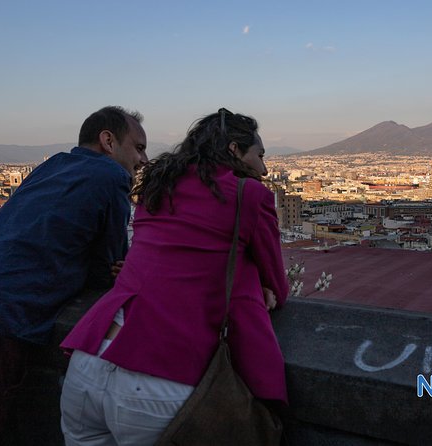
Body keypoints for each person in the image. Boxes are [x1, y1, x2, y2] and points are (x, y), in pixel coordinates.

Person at [59, 108, 289, 445]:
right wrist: (259, 285)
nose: (265, 169)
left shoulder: (158, 186)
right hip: (159, 376)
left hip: (88, 361)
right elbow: (278, 286)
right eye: (260, 155)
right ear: (234, 151)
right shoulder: (248, 195)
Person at [0, 105, 148, 445]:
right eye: (138, 147)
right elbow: (109, 265)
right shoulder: (110, 176)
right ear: (108, 141)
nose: (144, 159)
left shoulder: (53, 166)